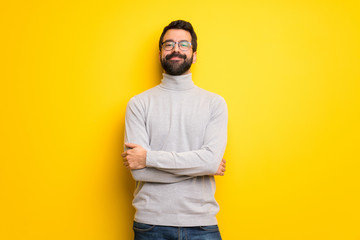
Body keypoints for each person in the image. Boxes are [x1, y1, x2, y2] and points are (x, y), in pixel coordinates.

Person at [122, 20, 228, 240]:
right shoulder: (138, 103)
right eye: (168, 44)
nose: (176, 49)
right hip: (151, 225)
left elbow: (145, 163)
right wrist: (201, 166)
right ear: (160, 53)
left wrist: (148, 157)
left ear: (194, 54)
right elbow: (139, 170)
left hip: (202, 224)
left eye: (183, 44)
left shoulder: (214, 103)